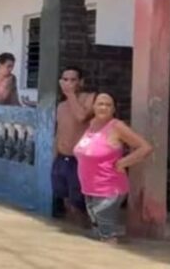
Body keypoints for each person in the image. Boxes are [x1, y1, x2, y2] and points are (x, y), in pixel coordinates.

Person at [74, 93, 153, 243]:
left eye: (108, 105)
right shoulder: (91, 125)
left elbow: (145, 148)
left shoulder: (117, 127)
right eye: (100, 104)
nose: (103, 107)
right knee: (98, 232)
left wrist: (122, 163)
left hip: (108, 189)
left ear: (113, 109)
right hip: (89, 190)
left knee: (107, 235)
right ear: (93, 107)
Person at [52, 67, 95, 224]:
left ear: (81, 82)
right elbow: (59, 133)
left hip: (80, 160)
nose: (68, 83)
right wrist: (54, 158)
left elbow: (81, 117)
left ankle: (84, 233)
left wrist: (70, 94)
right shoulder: (61, 106)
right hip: (62, 159)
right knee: (65, 202)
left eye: (73, 80)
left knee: (79, 204)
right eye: (65, 80)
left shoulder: (90, 98)